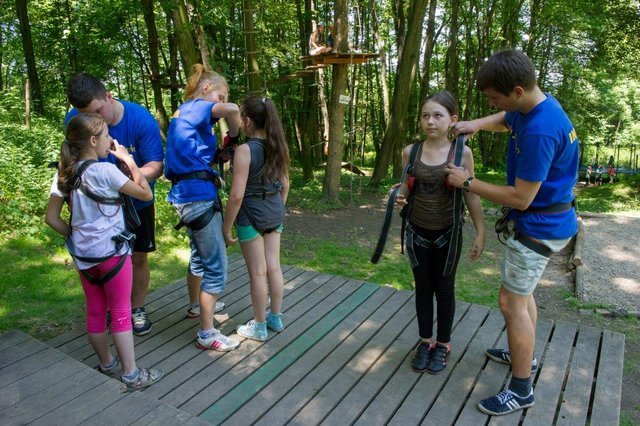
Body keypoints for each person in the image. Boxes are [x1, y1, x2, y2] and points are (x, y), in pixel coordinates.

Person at [446, 49, 579, 416]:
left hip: (540, 225)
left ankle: (522, 389)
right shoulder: (535, 107)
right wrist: (476, 123)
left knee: (510, 303)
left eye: (494, 97)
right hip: (550, 220)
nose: (492, 104)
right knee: (523, 294)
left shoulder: (539, 129)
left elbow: (521, 198)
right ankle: (526, 355)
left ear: (517, 90)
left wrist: (467, 182)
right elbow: (506, 118)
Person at [45, 113, 164, 390]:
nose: (112, 140)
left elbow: (52, 218)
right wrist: (129, 160)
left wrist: (75, 234)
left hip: (85, 258)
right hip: (112, 255)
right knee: (121, 312)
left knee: (96, 311)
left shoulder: (64, 173)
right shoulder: (106, 170)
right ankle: (132, 374)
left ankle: (107, 363)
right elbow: (145, 194)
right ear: (93, 140)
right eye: (108, 135)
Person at [392, 91, 485, 375]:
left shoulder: (462, 153)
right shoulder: (412, 151)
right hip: (417, 232)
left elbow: (471, 195)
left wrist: (481, 231)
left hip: (449, 234)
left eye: (437, 115)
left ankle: (443, 344)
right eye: (425, 116)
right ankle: (425, 341)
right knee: (422, 288)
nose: (430, 121)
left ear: (452, 120)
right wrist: (400, 195)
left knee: (444, 289)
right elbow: (406, 183)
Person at [66, 73, 164, 336]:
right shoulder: (76, 120)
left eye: (98, 111)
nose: (95, 120)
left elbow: (156, 165)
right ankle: (113, 312)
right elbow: (70, 161)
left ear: (108, 96)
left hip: (136, 205)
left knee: (138, 257)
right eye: (87, 115)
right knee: (106, 258)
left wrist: (125, 178)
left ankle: (136, 310)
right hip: (98, 210)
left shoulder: (140, 119)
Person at [165, 64, 242, 351]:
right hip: (198, 197)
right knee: (217, 267)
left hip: (187, 195)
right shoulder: (197, 106)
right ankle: (207, 333)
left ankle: (197, 305)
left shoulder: (183, 114)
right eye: (219, 96)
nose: (221, 103)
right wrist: (234, 137)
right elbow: (233, 111)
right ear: (206, 88)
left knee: (199, 256)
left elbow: (195, 155)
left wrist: (218, 153)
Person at [222, 96, 290, 341]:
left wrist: (226, 227)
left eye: (241, 117)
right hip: (274, 214)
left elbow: (237, 195)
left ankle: (259, 326)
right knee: (274, 266)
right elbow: (285, 184)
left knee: (258, 273)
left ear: (247, 121)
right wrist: (277, 209)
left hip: (250, 216)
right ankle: (276, 317)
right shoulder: (277, 146)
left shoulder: (244, 151)